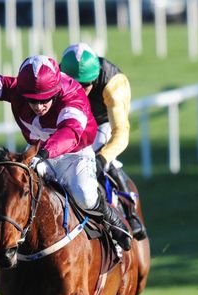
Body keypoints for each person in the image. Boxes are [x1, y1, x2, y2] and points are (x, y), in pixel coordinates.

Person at [0, 54, 133, 266]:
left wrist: (43, 155)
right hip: (38, 151)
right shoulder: (16, 87)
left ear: (56, 90)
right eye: (32, 100)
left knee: (85, 195)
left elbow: (70, 133)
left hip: (73, 153)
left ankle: (113, 221)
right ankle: (0, 239)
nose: (38, 106)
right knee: (13, 188)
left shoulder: (72, 94)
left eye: (44, 99)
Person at [60, 42, 146, 239]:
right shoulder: (56, 76)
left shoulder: (114, 82)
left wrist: (103, 158)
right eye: (76, 84)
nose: (82, 90)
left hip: (101, 123)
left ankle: (129, 212)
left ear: (96, 77)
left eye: (87, 84)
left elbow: (121, 132)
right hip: (71, 122)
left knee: (103, 159)